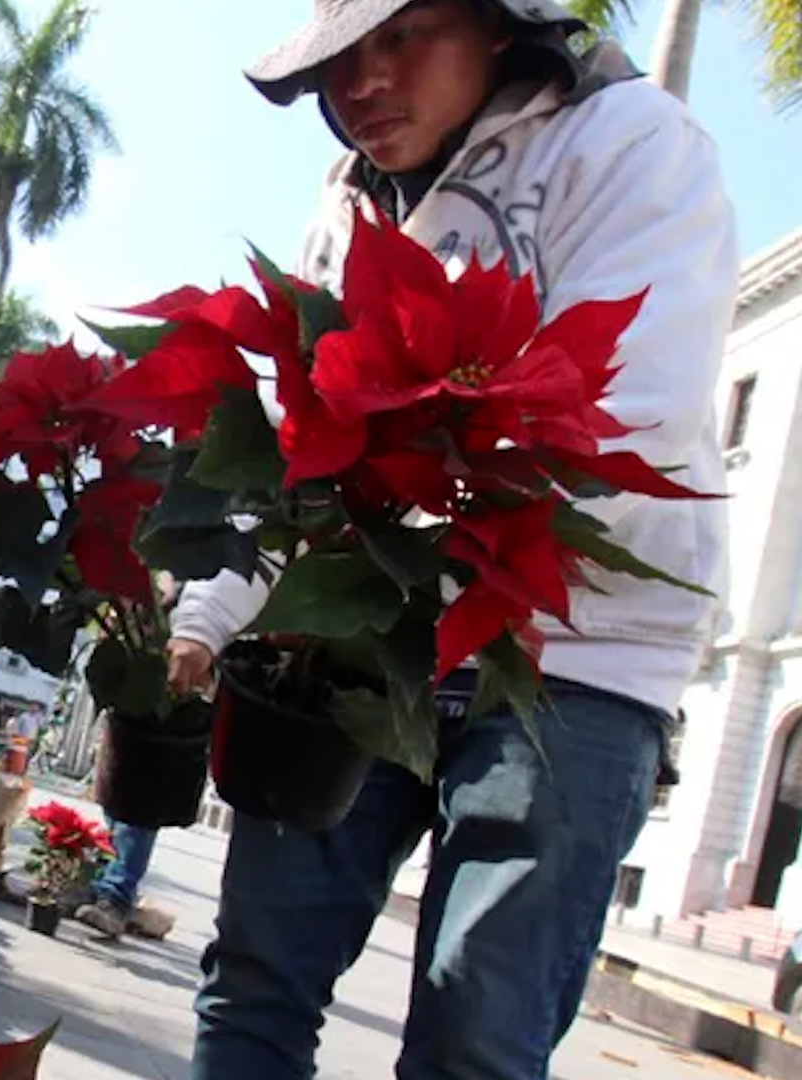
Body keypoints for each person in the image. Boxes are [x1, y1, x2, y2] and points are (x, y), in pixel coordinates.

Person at [168, 3, 736, 1078]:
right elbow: (306, 434)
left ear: (496, 22)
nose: (364, 82)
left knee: (475, 1038)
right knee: (254, 978)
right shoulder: (344, 205)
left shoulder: (631, 142)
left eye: (404, 34)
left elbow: (634, 402)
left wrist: (424, 479)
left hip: (574, 656)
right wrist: (208, 619)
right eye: (341, 58)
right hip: (361, 642)